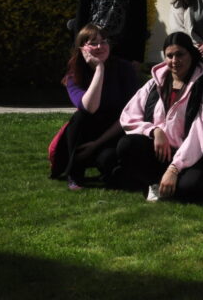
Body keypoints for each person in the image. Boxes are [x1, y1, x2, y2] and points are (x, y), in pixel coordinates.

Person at [116, 32, 203, 201]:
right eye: (169, 56)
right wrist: (154, 131)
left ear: (191, 54)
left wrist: (174, 168)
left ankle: (169, 181)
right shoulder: (153, 84)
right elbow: (128, 117)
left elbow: (200, 134)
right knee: (126, 145)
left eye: (180, 54)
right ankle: (154, 183)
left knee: (190, 187)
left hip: (192, 155)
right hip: (159, 152)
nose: (174, 60)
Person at [56, 24, 140, 190]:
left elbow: (130, 114)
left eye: (104, 41)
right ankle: (75, 174)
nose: (100, 46)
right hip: (86, 132)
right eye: (93, 43)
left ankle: (108, 170)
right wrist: (99, 69)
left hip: (116, 129)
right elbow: (90, 108)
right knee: (79, 117)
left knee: (108, 161)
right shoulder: (74, 75)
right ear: (82, 48)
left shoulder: (124, 69)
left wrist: (96, 144)